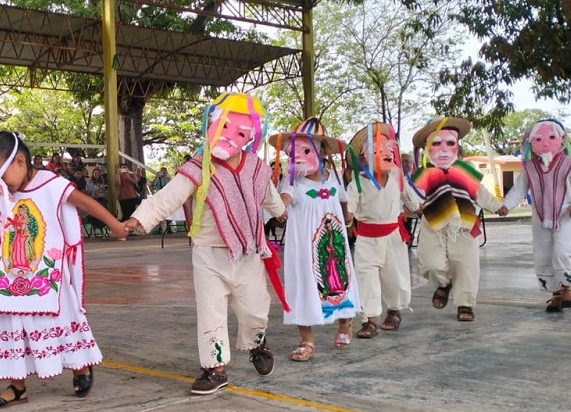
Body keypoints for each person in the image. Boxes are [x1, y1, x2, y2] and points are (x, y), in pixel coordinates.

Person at [123, 93, 286, 395]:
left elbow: (268, 195)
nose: (230, 137)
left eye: (239, 132)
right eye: (224, 128)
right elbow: (168, 197)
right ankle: (214, 369)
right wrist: (139, 219)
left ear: (250, 135)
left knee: (255, 311)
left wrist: (280, 211)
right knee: (210, 311)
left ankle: (257, 342)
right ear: (211, 125)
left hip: (248, 253)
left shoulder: (256, 167)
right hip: (209, 254)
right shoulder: (199, 166)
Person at [0, 131, 126, 409]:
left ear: (19, 162)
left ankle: (80, 366)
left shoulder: (51, 184)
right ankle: (16, 387)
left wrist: (114, 224)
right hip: (12, 275)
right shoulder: (2, 193)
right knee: (11, 325)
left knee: (61, 320)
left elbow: (84, 202)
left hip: (48, 273)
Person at [272, 118, 359, 361]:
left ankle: (345, 323)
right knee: (303, 287)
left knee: (339, 280)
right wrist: (279, 209)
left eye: (306, 150)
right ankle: (306, 341)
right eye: (294, 152)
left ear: (322, 151)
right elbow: (283, 201)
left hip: (334, 241)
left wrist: (348, 220)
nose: (298, 156)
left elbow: (343, 201)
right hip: (303, 247)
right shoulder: (291, 181)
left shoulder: (335, 177)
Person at [411, 117, 502, 322]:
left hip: (463, 226)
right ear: (428, 147)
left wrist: (498, 207)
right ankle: (444, 284)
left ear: (457, 146)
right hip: (432, 225)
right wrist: (411, 205)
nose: (443, 148)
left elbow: (481, 193)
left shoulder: (465, 171)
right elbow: (412, 198)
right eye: (436, 143)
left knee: (466, 266)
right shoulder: (423, 174)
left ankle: (465, 305)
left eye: (450, 143)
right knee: (431, 265)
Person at [497, 119, 571, 312]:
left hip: (565, 214)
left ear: (561, 140)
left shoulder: (568, 164)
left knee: (562, 251)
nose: (545, 143)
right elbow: (518, 191)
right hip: (540, 216)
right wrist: (505, 206)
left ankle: (568, 288)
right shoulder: (529, 167)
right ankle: (555, 294)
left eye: (551, 137)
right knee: (544, 255)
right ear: (531, 142)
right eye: (539, 138)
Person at [346, 122, 420, 338]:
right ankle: (369, 320)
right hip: (367, 239)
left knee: (394, 277)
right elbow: (349, 211)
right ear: (364, 158)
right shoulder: (357, 184)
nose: (385, 153)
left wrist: (417, 207)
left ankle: (395, 311)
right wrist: (346, 215)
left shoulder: (397, 174)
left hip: (393, 237)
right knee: (366, 278)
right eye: (377, 151)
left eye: (387, 149)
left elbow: (408, 197)